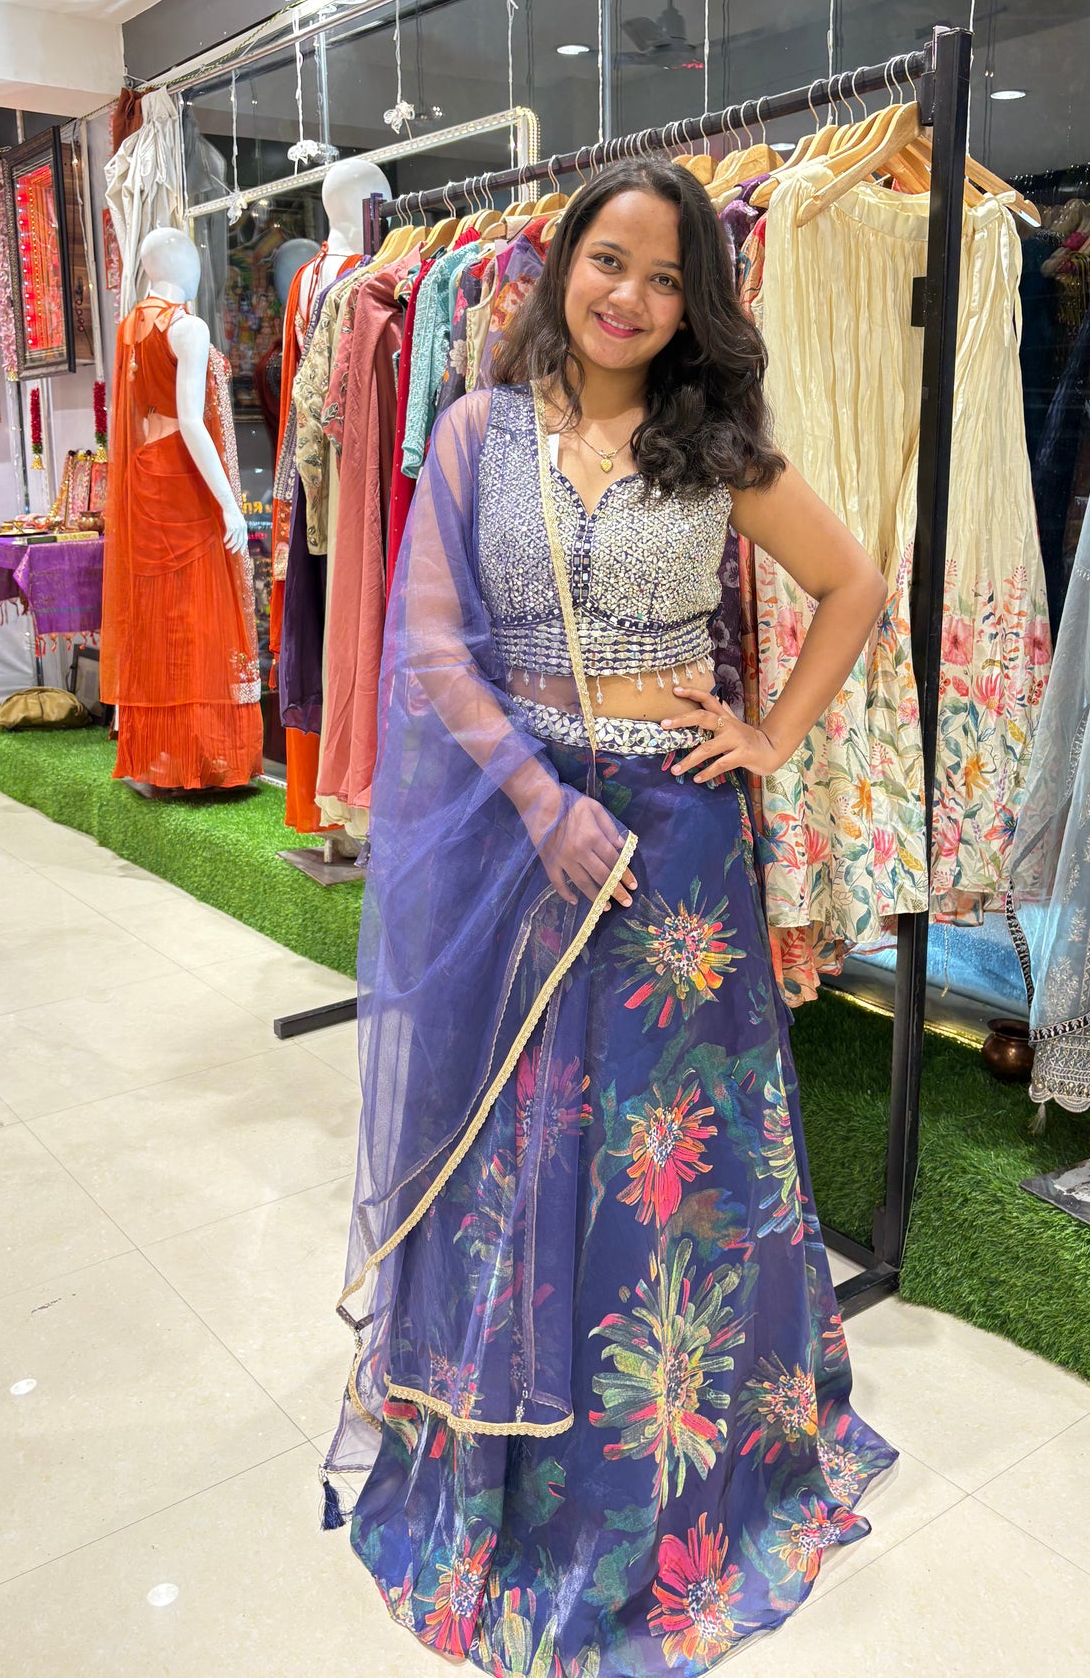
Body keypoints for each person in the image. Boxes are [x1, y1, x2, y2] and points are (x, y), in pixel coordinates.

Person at [329, 157, 897, 1675]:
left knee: (665, 1169)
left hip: (674, 855)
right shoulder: (473, 430)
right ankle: (504, 1478)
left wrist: (766, 737)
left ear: (695, 300)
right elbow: (435, 647)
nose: (630, 298)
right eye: (608, 263)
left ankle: (679, 1490)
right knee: (514, 1138)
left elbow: (852, 584)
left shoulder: (714, 448)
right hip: (524, 838)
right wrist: (537, 798)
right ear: (555, 267)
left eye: (664, 277)